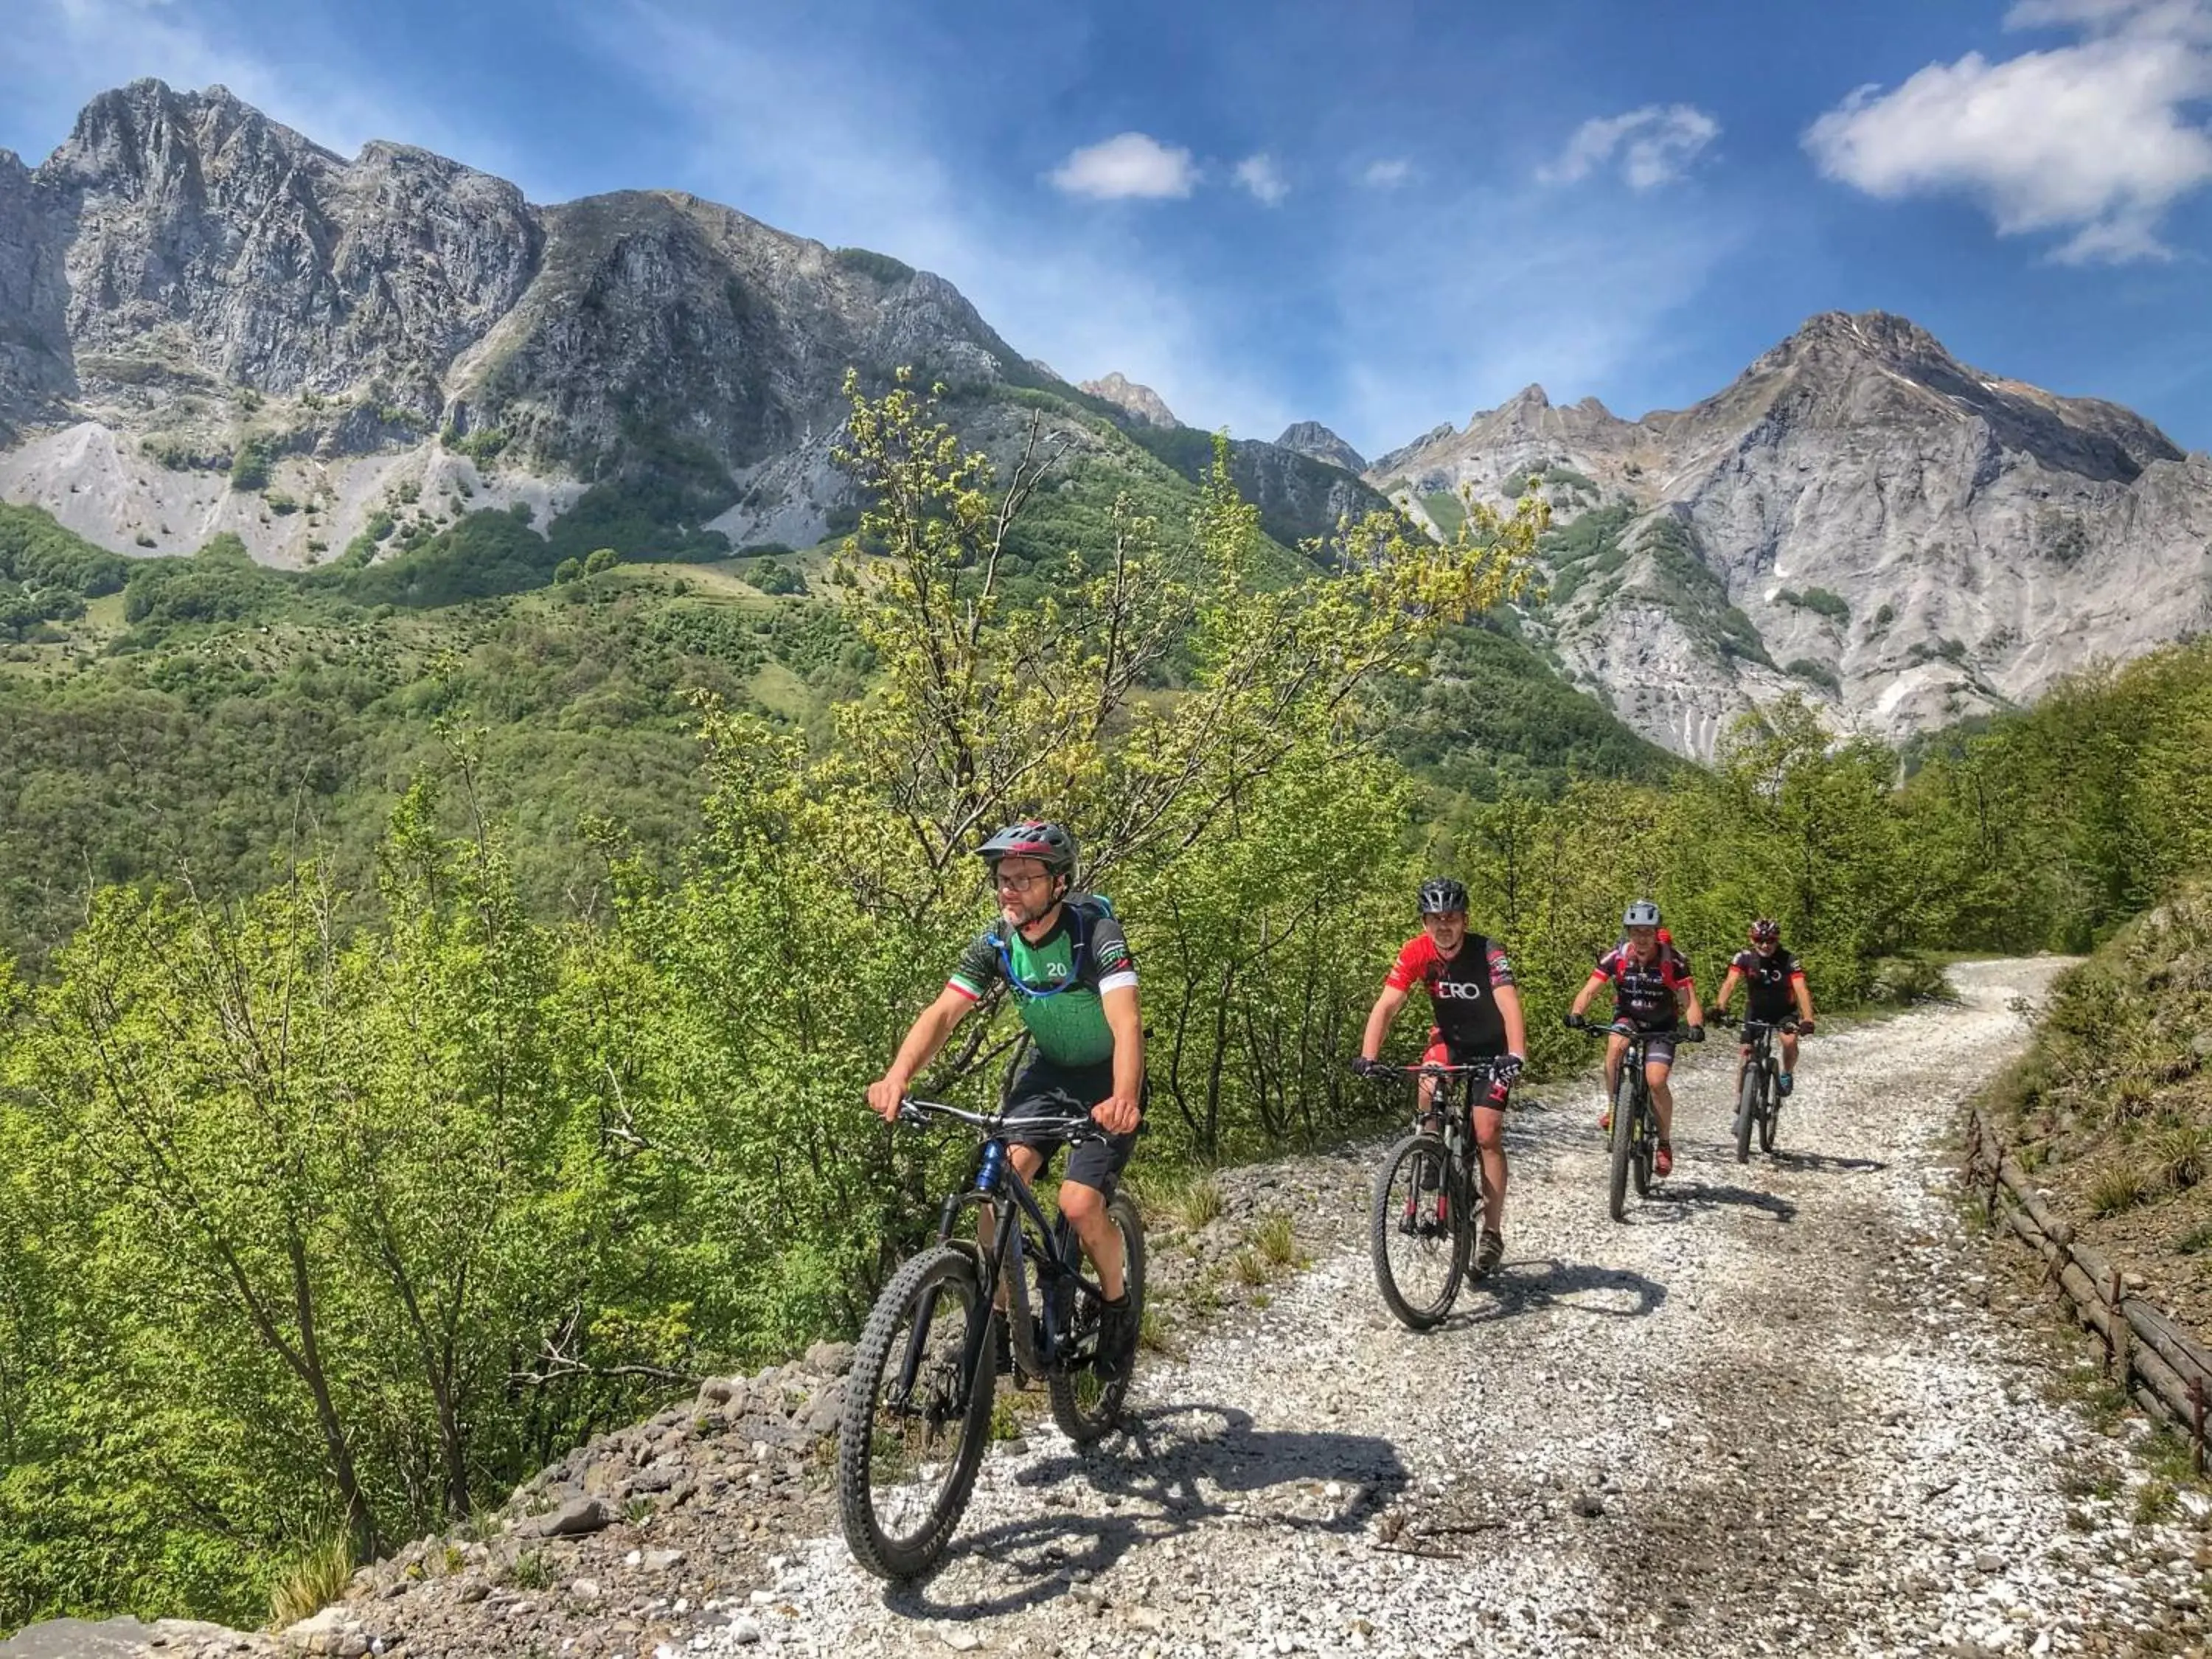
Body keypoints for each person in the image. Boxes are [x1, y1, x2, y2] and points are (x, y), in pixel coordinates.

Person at [866, 820, 1144, 1382]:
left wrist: (1124, 1098)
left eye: (1024, 877)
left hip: (1106, 1079)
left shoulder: (1096, 933)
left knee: (1079, 1204)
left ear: (1059, 883)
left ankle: (1116, 1307)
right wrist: (897, 1075)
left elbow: (1127, 1021)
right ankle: (997, 1329)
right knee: (994, 1190)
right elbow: (943, 1012)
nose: (1008, 888)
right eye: (1002, 877)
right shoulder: (997, 943)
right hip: (1047, 1075)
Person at [1354, 877, 1527, 1277]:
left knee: (1487, 1133)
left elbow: (1509, 1004)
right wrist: (1369, 1056)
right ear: (1425, 922)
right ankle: (1431, 1148)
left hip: (1493, 1049)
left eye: (1450, 918)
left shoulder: (1488, 952)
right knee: (1428, 1080)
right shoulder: (1417, 951)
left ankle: (1492, 1234)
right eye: (1434, 919)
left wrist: (1516, 1053)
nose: (1443, 926)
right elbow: (1387, 1006)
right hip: (1450, 1041)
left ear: (1465, 919)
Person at [1565, 899, 1704, 1177]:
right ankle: (1616, 1106)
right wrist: (1577, 1012)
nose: (1641, 938)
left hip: (1662, 1025)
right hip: (1628, 1017)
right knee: (1614, 1051)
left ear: (1656, 933)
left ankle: (1664, 1144)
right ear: (1628, 932)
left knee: (1656, 1080)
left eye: (1647, 932)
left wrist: (1695, 1025)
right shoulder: (1616, 957)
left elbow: (1688, 1000)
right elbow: (1591, 989)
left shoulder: (1673, 961)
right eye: (1636, 932)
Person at [1713, 918, 1815, 1096]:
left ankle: (1787, 1074)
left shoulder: (1789, 960)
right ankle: (1741, 1102)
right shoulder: (1744, 957)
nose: (1765, 945)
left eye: (1771, 941)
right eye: (1759, 940)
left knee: (1789, 1041)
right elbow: (1729, 983)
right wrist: (1719, 1007)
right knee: (1745, 1051)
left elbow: (1801, 989)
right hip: (1756, 1010)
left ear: (1778, 940)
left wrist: (1808, 1019)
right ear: (1752, 940)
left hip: (1784, 1011)